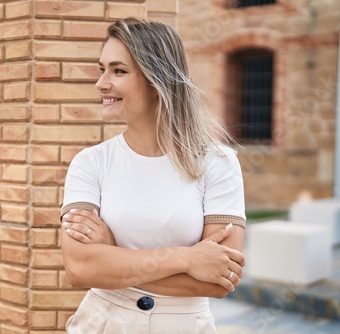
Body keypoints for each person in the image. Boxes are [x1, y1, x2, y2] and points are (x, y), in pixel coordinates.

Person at [60, 17, 246, 334]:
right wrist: (187, 260)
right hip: (105, 322)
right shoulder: (90, 163)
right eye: (102, 68)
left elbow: (220, 281)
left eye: (118, 71)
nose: (101, 83)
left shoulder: (218, 163)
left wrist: (113, 255)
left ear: (156, 79)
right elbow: (80, 268)